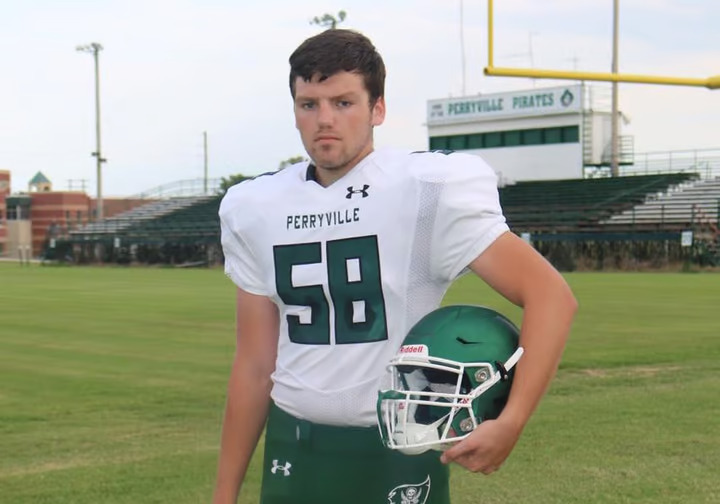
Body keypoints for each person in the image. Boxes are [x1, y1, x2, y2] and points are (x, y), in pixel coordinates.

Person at [213, 28, 577, 504]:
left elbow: (551, 296)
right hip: (293, 445)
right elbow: (256, 364)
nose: (325, 119)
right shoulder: (257, 206)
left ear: (377, 109)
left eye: (343, 102)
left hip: (397, 446)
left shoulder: (425, 189)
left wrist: (512, 421)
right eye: (309, 104)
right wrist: (223, 495)